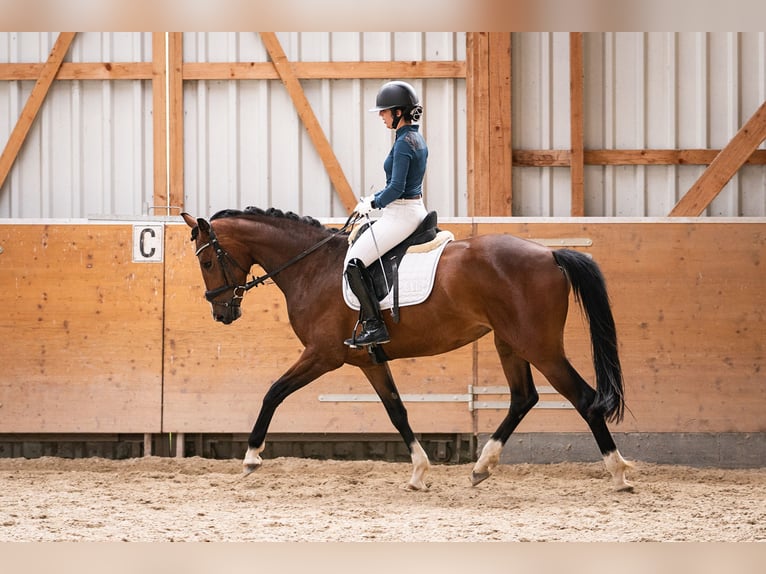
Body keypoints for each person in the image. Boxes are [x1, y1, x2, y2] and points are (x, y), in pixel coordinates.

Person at [343, 80, 429, 347]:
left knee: (353, 262)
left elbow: (397, 188)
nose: (381, 115)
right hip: (408, 209)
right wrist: (374, 199)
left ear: (399, 112)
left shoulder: (404, 143)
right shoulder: (413, 138)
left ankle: (374, 325)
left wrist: (373, 203)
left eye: (385, 111)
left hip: (401, 214)